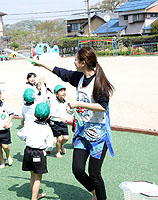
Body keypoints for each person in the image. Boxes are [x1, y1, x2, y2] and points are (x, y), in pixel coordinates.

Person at [33, 47, 115, 200]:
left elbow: (103, 107)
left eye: (76, 59)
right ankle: (95, 192)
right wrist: (41, 64)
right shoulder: (80, 77)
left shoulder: (100, 83)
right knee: (77, 170)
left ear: (83, 62)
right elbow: (61, 72)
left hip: (99, 135)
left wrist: (78, 104)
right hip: (83, 132)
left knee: (95, 174)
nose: (74, 62)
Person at [17, 102, 54, 200]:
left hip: (28, 152)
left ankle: (34, 194)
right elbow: (50, 144)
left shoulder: (29, 124)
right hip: (39, 153)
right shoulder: (47, 128)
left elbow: (20, 134)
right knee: (38, 177)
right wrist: (47, 150)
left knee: (32, 174)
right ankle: (34, 198)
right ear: (48, 116)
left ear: (34, 114)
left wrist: (26, 139)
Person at [49, 85, 70, 158]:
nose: (63, 92)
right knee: (60, 138)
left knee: (66, 138)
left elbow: (67, 111)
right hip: (55, 123)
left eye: (64, 90)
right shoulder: (54, 102)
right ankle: (57, 152)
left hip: (63, 123)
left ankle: (61, 145)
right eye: (61, 91)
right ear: (56, 94)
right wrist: (60, 117)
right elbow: (51, 113)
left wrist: (69, 111)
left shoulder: (66, 101)